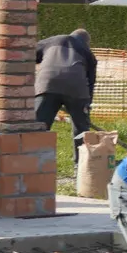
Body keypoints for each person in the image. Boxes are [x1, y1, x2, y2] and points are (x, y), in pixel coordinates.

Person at [35, 28, 97, 161]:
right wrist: (86, 105)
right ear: (86, 42)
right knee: (81, 129)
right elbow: (91, 82)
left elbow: (29, 54)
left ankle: (36, 160)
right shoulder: (87, 52)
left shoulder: (53, 40)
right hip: (76, 88)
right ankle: (80, 164)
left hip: (47, 84)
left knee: (39, 124)